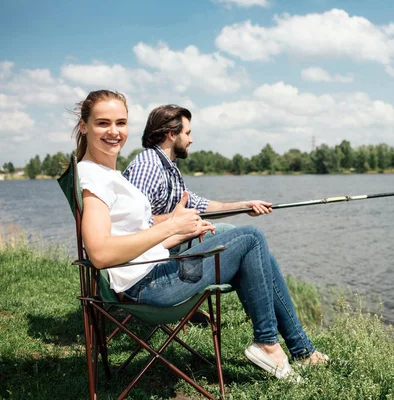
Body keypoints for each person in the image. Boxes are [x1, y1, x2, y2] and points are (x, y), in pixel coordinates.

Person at [72, 89, 328, 381]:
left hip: (152, 269)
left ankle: (298, 349)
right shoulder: (96, 178)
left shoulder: (109, 175)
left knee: (248, 243)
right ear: (84, 126)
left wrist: (188, 228)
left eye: (121, 123)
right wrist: (172, 227)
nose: (114, 131)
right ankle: (273, 345)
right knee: (250, 239)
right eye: (103, 123)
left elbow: (157, 226)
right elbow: (101, 253)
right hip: (148, 286)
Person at [122, 104, 271, 255]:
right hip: (151, 255)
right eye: (187, 133)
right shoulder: (148, 166)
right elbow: (133, 224)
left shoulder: (169, 167)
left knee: (234, 233)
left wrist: (244, 206)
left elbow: (198, 205)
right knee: (250, 236)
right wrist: (178, 221)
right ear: (172, 135)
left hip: (166, 244)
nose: (191, 140)